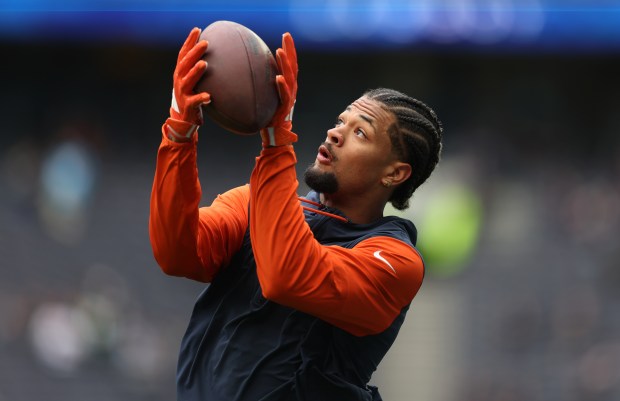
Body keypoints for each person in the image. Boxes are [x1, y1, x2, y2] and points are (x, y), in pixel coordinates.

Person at [149, 27, 443, 401]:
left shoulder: (395, 261)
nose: (335, 133)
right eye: (341, 122)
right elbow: (178, 253)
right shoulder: (256, 201)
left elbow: (286, 277)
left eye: (360, 134)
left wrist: (276, 142)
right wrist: (179, 132)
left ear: (394, 173)